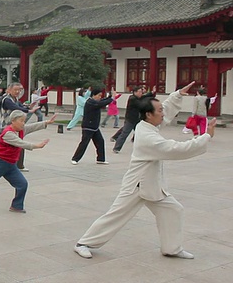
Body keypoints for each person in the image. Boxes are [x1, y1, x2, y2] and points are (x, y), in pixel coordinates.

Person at [74, 82, 215, 260]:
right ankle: (83, 243)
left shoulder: (148, 125)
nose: (163, 113)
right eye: (159, 110)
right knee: (116, 215)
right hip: (137, 185)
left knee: (173, 210)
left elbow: (167, 110)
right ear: (149, 114)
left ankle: (172, 248)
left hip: (152, 185)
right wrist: (206, 137)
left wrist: (178, 94)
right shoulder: (148, 136)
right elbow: (176, 149)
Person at [70, 88, 115, 165]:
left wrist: (110, 96)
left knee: (100, 142)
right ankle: (75, 159)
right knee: (84, 143)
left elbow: (103, 101)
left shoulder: (95, 101)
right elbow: (101, 103)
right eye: (99, 95)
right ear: (93, 95)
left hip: (94, 127)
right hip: (88, 126)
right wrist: (112, 98)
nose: (100, 97)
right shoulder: (90, 102)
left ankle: (100, 159)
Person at [0, 83, 38, 172]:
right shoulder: (6, 100)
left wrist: (28, 107)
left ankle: (19, 165)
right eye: (15, 90)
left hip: (16, 126)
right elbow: (15, 108)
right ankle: (3, 164)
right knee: (7, 147)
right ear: (9, 90)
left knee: (19, 145)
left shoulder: (15, 99)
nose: (18, 92)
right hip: (7, 127)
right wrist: (28, 110)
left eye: (19, 90)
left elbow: (20, 106)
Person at [112, 85, 156, 153]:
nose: (141, 93)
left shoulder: (138, 97)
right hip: (130, 119)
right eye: (140, 92)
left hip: (137, 119)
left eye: (141, 92)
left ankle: (141, 146)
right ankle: (116, 148)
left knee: (141, 133)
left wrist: (152, 92)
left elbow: (145, 96)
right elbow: (141, 105)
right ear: (135, 92)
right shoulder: (132, 98)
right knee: (125, 134)